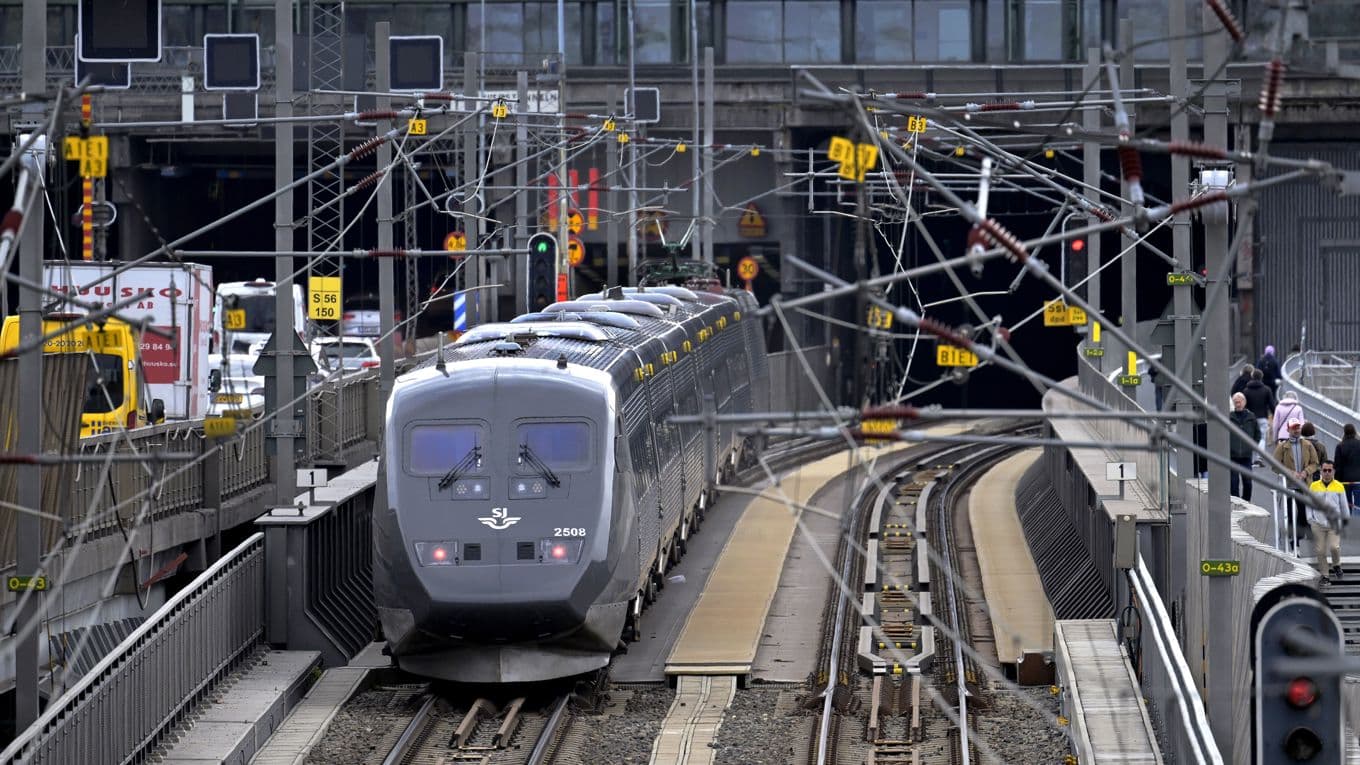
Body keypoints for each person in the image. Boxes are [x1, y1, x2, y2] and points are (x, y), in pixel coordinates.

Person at [1274, 418, 1320, 543]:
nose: (1296, 430)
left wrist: (1306, 472)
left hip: (1303, 485)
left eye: (1298, 427)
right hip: (1288, 485)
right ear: (1288, 429)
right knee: (1289, 512)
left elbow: (1315, 463)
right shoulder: (1282, 447)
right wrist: (1290, 473)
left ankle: (1299, 535)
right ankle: (1291, 536)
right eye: (1294, 428)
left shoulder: (1308, 445)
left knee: (1303, 511)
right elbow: (1274, 465)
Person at [1309, 461, 1349, 583]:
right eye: (1324, 470)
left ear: (1333, 471)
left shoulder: (1339, 486)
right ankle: (1325, 575)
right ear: (1320, 471)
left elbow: (1344, 506)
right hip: (1318, 523)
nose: (1327, 473)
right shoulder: (1313, 486)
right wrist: (1310, 519)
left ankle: (1336, 565)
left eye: (1329, 470)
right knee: (1320, 550)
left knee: (1334, 547)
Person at [1229, 392, 1261, 502]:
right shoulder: (1229, 417)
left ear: (1244, 402)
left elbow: (1258, 434)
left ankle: (1246, 501)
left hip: (1246, 456)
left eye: (1240, 401)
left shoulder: (1251, 417)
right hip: (1232, 455)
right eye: (1236, 402)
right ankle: (1236, 502)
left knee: (1247, 481)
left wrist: (1252, 446)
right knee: (1233, 482)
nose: (1238, 404)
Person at [1241, 369, 1277, 455]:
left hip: (1249, 418)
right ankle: (1259, 457)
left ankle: (1251, 457)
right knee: (1262, 437)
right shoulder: (1266, 390)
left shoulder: (1246, 390)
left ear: (1252, 377)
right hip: (1262, 417)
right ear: (1261, 377)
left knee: (1251, 437)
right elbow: (1272, 404)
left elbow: (1243, 405)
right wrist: (1275, 414)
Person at [1335, 423, 1360, 514]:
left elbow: (1338, 466)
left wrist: (1337, 481)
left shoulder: (1340, 446)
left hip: (1344, 481)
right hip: (1358, 480)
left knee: (1346, 505)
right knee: (1358, 506)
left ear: (1344, 432)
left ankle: (1347, 525)